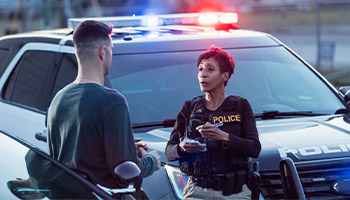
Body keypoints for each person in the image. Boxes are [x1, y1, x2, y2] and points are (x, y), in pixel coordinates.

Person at [47, 20, 160, 190]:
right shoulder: (112, 101)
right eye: (112, 50)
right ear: (103, 51)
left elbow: (75, 156)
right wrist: (150, 161)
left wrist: (126, 146)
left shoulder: (58, 99)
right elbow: (126, 176)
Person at [165, 46, 261, 199]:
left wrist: (224, 137)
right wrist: (182, 148)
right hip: (197, 191)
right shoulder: (189, 107)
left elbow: (255, 148)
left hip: (234, 193)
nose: (203, 74)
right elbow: (169, 152)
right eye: (200, 69)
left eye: (210, 69)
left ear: (224, 76)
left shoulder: (241, 106)